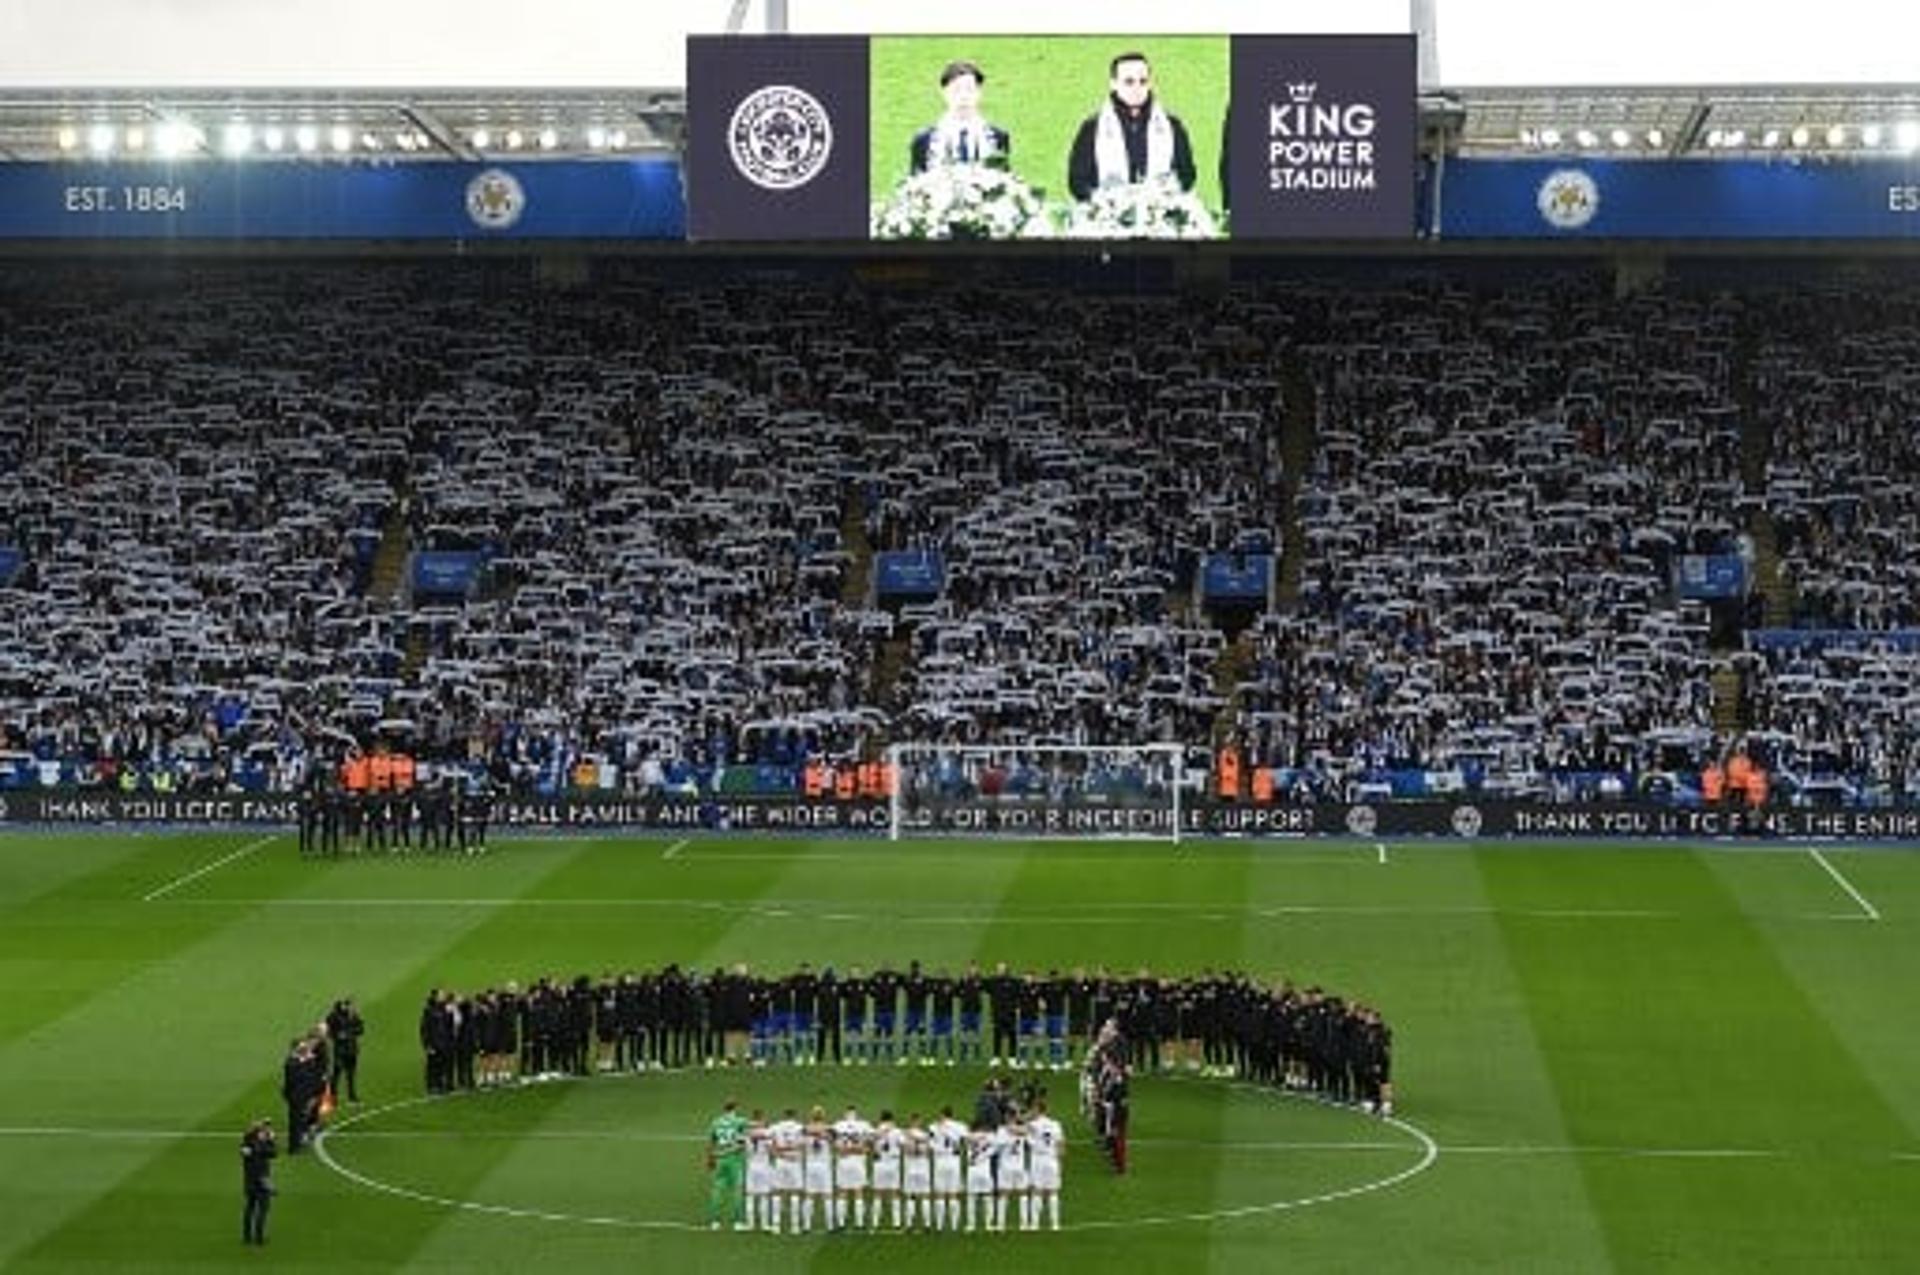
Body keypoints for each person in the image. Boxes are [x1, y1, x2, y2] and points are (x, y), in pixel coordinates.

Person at [1067, 51, 1197, 201]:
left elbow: (1187, 174)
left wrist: (1165, 198)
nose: (1137, 88)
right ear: (1113, 83)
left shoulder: (1172, 125)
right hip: (1106, 219)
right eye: (1129, 82)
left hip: (1160, 217)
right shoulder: (1092, 127)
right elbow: (1077, 181)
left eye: (1143, 81)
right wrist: (1103, 203)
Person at [909, 59, 1011, 173]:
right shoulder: (924, 139)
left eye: (969, 90)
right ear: (944, 92)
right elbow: (914, 183)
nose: (963, 97)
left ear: (979, 92)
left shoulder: (998, 136)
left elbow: (1003, 178)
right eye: (956, 90)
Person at [706, 1097, 750, 1231]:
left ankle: (715, 1221)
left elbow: (710, 1142)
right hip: (734, 1159)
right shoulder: (739, 1121)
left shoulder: (715, 1122)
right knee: (737, 1190)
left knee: (717, 1189)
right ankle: (737, 1222)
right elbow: (753, 1128)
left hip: (719, 1158)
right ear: (735, 1108)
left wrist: (710, 1158)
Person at [240, 1118, 276, 1245]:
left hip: (249, 1181)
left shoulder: (245, 1145)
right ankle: (259, 1237)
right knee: (263, 1209)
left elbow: (249, 1148)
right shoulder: (261, 1147)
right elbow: (273, 1153)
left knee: (249, 1208)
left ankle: (247, 1236)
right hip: (262, 1181)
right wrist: (270, 1140)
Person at [325, 997, 364, 1103]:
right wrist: (338, 1036)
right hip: (340, 1049)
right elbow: (329, 1032)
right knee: (337, 1073)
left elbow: (361, 1029)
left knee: (351, 1074)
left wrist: (349, 1033)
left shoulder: (354, 1016)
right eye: (349, 1005)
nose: (351, 1008)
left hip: (352, 1049)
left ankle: (352, 1096)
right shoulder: (333, 1017)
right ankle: (333, 1096)